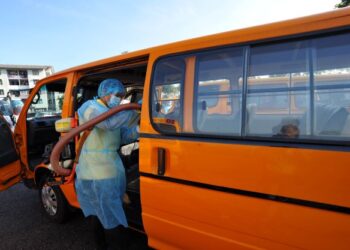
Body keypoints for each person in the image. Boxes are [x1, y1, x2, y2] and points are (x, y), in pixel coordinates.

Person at [75, 79, 139, 250]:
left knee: (103, 212)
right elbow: (108, 124)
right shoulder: (90, 107)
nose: (119, 99)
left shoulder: (112, 111)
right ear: (106, 92)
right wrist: (134, 108)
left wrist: (138, 131)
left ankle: (102, 245)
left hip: (109, 169)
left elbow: (121, 136)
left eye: (122, 96)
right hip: (95, 171)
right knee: (107, 215)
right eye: (117, 95)